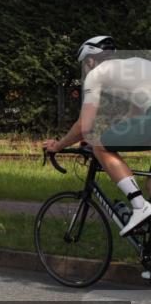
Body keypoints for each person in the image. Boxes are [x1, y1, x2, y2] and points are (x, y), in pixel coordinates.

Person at [43, 36, 151, 237]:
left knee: (100, 145)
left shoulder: (96, 74)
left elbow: (83, 125)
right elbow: (134, 117)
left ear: (90, 60)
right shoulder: (137, 64)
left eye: (83, 64)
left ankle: (139, 205)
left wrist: (57, 146)